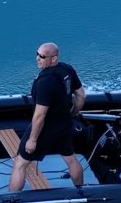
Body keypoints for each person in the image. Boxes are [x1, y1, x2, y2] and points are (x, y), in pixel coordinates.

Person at [9, 42, 87, 192]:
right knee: (71, 159)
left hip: (45, 129)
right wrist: (71, 114)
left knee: (19, 163)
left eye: (42, 56)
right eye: (37, 54)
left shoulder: (45, 82)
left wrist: (32, 140)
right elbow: (81, 95)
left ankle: (10, 200)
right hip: (63, 124)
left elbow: (39, 116)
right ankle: (81, 191)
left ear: (53, 59)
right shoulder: (67, 69)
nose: (37, 59)